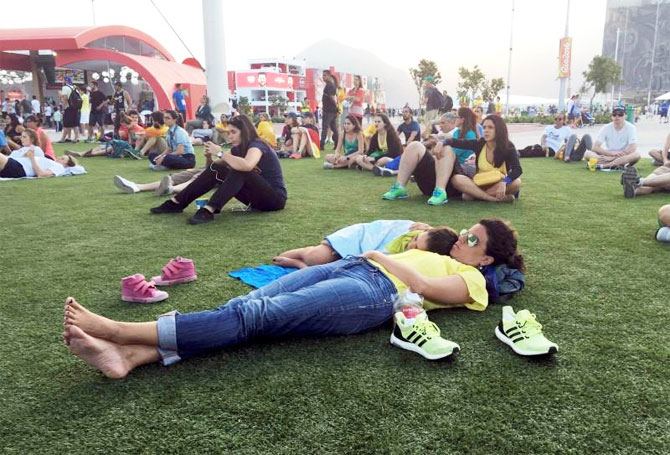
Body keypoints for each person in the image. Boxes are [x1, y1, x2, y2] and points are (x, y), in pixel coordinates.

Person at [61, 218, 523, 379]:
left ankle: (118, 331)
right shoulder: (445, 252)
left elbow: (423, 290)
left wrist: (384, 256)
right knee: (249, 309)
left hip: (373, 293)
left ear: (487, 260)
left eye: (473, 240)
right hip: (354, 269)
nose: (463, 240)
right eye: (467, 233)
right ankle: (131, 357)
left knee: (253, 313)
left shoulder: (474, 282)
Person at [149, 115, 287, 225]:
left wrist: (221, 153)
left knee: (239, 169)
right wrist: (209, 157)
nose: (230, 136)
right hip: (254, 200)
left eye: (234, 132)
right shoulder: (237, 149)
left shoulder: (257, 145)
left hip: (274, 200)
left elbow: (247, 165)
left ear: (244, 132)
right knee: (219, 167)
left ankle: (209, 209)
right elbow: (213, 168)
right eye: (229, 133)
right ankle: (177, 203)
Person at [273, 220, 458, 269]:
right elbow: (379, 233)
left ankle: (299, 265)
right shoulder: (415, 229)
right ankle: (301, 257)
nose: (411, 244)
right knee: (315, 257)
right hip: (362, 238)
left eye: (417, 247)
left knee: (327, 268)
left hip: (366, 256)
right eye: (416, 239)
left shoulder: (426, 259)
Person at [446, 115, 522, 202]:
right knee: (457, 179)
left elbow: (517, 169)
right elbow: (458, 142)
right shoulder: (480, 144)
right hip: (480, 183)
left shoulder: (508, 147)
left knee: (517, 182)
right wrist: (442, 142)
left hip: (498, 184)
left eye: (490, 127)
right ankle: (492, 199)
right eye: (484, 127)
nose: (486, 130)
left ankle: (477, 195)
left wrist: (505, 182)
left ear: (499, 130)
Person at [0, 129, 77, 178]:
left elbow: (41, 174)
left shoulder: (59, 167)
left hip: (20, 167)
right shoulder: (51, 162)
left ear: (67, 165)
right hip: (15, 164)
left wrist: (32, 158)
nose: (59, 158)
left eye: (63, 159)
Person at [114, 168, 203, 196]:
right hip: (211, 167)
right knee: (181, 175)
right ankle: (137, 187)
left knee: (199, 176)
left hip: (187, 159)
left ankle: (171, 189)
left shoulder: (179, 132)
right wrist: (208, 157)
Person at [320, 70, 339, 151]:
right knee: (333, 128)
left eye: (324, 75)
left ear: (329, 76)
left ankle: (321, 144)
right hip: (330, 110)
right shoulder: (329, 85)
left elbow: (331, 97)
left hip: (329, 111)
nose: (323, 77)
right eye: (323, 75)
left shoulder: (330, 85)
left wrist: (336, 106)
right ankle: (337, 144)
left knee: (325, 127)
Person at [58, 76, 81, 143]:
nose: (62, 82)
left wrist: (63, 107)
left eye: (63, 80)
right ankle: (77, 137)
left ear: (65, 81)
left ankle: (63, 138)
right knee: (75, 124)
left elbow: (65, 98)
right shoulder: (74, 87)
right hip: (75, 108)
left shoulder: (65, 88)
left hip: (68, 108)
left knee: (66, 123)